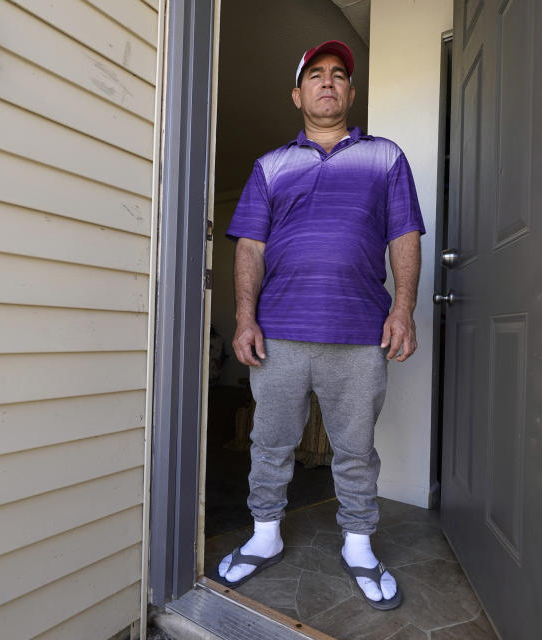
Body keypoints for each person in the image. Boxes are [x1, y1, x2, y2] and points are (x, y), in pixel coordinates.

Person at [219, 39, 424, 611]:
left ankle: (358, 545)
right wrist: (243, 319)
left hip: (359, 332)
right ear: (297, 93)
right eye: (316, 75)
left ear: (351, 93)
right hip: (279, 330)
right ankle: (265, 536)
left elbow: (403, 236)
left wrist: (403, 309)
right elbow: (251, 248)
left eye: (338, 75)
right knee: (270, 442)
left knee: (355, 449)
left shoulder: (385, 157)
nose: (328, 82)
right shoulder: (270, 166)